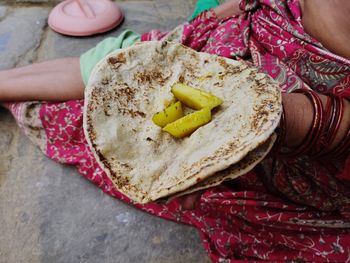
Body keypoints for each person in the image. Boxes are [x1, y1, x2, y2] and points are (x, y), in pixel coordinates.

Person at [1, 0, 349, 261]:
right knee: (125, 68)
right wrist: (228, 10)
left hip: (306, 140)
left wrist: (281, 118)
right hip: (243, 33)